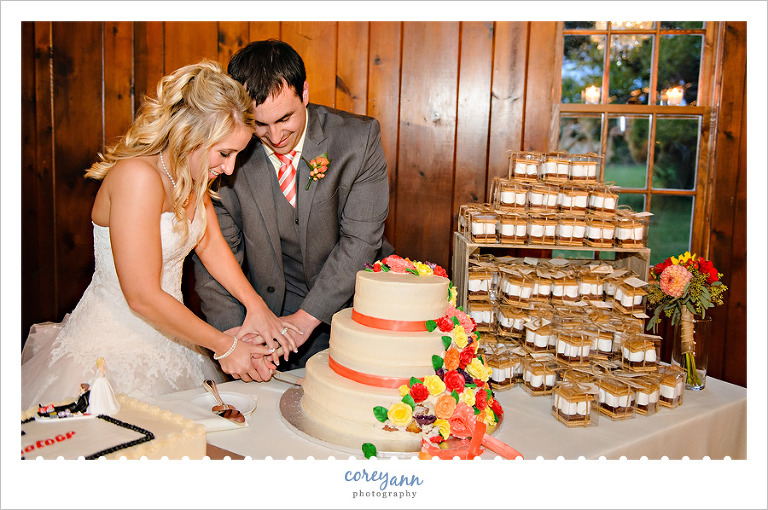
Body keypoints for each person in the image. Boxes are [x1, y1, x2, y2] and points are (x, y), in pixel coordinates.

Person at [21, 60, 298, 409]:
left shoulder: (193, 176)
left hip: (173, 342)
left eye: (236, 156)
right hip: (113, 352)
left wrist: (255, 307)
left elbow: (210, 243)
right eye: (225, 153)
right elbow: (141, 296)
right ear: (191, 132)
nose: (229, 168)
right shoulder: (137, 177)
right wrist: (224, 346)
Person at [193, 39, 393, 373]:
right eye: (259, 124)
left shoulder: (358, 140)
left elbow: (360, 240)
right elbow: (215, 253)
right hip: (262, 323)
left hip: (348, 315)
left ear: (305, 93)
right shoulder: (226, 156)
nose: (274, 135)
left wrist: (305, 320)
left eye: (285, 117)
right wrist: (234, 337)